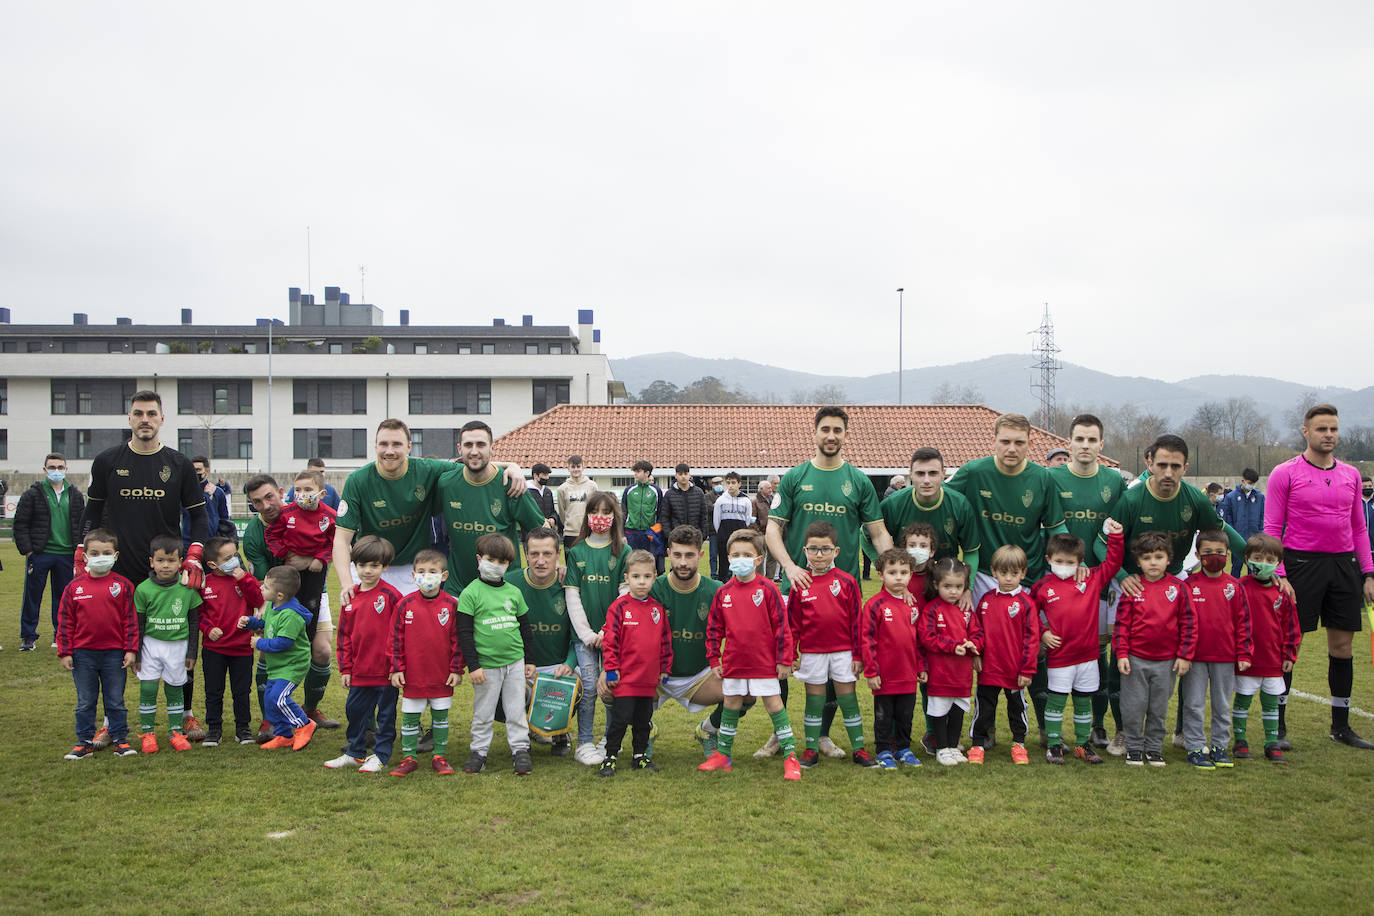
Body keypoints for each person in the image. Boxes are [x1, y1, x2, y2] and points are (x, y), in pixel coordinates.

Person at [1098, 433, 1245, 755]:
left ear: (1185, 467)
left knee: (1183, 651)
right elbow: (1101, 541)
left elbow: (1220, 531)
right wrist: (1122, 576)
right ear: (1149, 463)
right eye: (1161, 464)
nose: (1167, 472)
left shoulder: (1195, 499)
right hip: (1131, 582)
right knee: (1122, 652)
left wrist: (1263, 563)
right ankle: (1123, 731)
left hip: (1174, 580)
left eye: (1175, 466)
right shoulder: (1132, 499)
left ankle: (1180, 730)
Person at [82, 390, 210, 747]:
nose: (145, 420)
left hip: (167, 571)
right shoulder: (107, 461)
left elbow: (198, 516)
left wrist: (195, 554)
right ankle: (111, 721)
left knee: (178, 639)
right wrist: (84, 551)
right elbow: (92, 514)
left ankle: (184, 714)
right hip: (119, 572)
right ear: (129, 418)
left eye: (151, 414)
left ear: (162, 419)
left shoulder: (179, 464)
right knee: (118, 645)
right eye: (138, 413)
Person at [766, 406, 892, 758]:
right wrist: (790, 566)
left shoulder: (859, 481)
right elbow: (773, 528)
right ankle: (781, 733)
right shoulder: (795, 477)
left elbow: (878, 531)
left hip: (842, 592)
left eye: (838, 430)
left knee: (838, 664)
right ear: (815, 433)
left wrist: (895, 574)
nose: (831, 436)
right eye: (825, 429)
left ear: (845, 435)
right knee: (784, 660)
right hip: (798, 587)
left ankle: (820, 734)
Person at [1263, 404, 1374, 750]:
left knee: (1342, 647)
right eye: (1322, 429)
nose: (1329, 435)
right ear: (1306, 432)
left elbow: (1359, 527)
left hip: (1344, 566)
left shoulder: (1351, 475)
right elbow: (1271, 527)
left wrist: (1368, 573)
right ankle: (1277, 727)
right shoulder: (1285, 472)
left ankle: (1341, 726)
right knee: (1289, 647)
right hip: (1300, 565)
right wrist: (1279, 572)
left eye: (1334, 429)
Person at [1048, 413, 1127, 750]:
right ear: (1069, 442)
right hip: (1060, 582)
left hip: (1100, 582)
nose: (1085, 445)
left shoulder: (1115, 481)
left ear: (1101, 445)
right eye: (1079, 439)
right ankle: (1047, 728)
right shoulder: (1051, 478)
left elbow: (1111, 533)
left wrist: (1118, 574)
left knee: (1100, 654)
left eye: (1092, 440)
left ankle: (1099, 725)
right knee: (1050, 650)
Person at [698, 530, 801, 780]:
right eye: (736, 555)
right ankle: (723, 755)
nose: (740, 559)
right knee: (732, 704)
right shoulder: (724, 592)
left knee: (774, 705)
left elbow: (782, 626)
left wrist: (785, 659)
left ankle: (790, 758)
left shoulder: (768, 589)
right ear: (728, 557)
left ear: (758, 559)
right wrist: (714, 659)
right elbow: (714, 629)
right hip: (734, 662)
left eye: (747, 554)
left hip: (764, 663)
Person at [1031, 523, 1124, 766]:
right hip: (1060, 658)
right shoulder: (1042, 587)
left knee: (1084, 702)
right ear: (1049, 559)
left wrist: (1115, 536)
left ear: (1080, 561)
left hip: (1088, 657)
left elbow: (1113, 563)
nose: (1064, 566)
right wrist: (1043, 633)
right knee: (1057, 702)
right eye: (1059, 561)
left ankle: (1083, 744)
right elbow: (1028, 615)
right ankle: (1054, 745)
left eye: (1070, 562)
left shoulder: (1091, 579)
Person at [787, 520, 874, 768]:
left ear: (836, 551)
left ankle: (859, 749)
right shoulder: (800, 584)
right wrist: (791, 654)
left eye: (825, 549)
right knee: (814, 700)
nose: (819, 555)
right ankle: (811, 749)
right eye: (813, 549)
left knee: (848, 699)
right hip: (813, 652)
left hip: (844, 652)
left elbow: (857, 621)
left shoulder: (846, 582)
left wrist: (858, 655)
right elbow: (793, 624)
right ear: (805, 551)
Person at [1113, 531, 1197, 766]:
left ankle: (1153, 748)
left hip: (1167, 662)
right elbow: (1122, 625)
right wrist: (1121, 654)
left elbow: (1189, 624)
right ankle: (1134, 747)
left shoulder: (1178, 589)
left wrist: (1184, 655)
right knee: (1133, 707)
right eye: (1147, 558)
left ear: (1168, 560)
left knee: (1158, 708)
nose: (1153, 562)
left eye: (1158, 557)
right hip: (1135, 659)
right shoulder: (1133, 589)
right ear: (1139, 561)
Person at [437, 421, 547, 596]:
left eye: (480, 444)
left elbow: (542, 530)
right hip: (458, 591)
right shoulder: (446, 483)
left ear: (491, 447)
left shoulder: (511, 484)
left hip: (502, 591)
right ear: (459, 449)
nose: (474, 451)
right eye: (468, 445)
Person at [56, 529, 139, 759]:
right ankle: (84, 742)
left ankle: (120, 740)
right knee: (85, 702)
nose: (100, 556)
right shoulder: (74, 588)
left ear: (115, 555)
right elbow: (65, 622)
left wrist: (131, 650)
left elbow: (130, 621)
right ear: (85, 557)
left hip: (114, 654)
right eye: (94, 552)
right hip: (83, 655)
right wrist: (65, 652)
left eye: (106, 552)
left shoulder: (123, 586)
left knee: (115, 701)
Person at [457, 534, 536, 776]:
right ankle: (479, 751)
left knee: (516, 709)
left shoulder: (513, 592)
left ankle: (520, 750)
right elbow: (465, 633)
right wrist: (474, 666)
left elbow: (524, 627)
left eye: (502, 561)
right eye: (491, 559)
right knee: (484, 711)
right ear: (480, 559)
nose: (496, 565)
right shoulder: (470, 593)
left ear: (508, 564)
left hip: (514, 662)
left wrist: (529, 660)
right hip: (486, 666)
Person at [266, 468, 338, 729]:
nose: (302, 494)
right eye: (298, 490)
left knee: (310, 617)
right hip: (289, 571)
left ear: (321, 492)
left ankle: (310, 706)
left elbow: (334, 541)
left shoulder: (329, 516)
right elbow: (271, 535)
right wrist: (285, 554)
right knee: (283, 614)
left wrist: (320, 558)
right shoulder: (286, 514)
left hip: (315, 573)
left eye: (308, 490)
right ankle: (271, 713)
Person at [564, 492, 632, 765]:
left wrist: (607, 632)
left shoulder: (623, 552)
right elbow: (572, 596)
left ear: (614, 516)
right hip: (585, 638)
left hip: (614, 638)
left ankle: (609, 740)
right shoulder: (577, 552)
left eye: (606, 512)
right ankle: (584, 743)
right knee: (590, 687)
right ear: (587, 515)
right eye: (595, 511)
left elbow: (623, 595)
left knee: (611, 688)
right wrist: (588, 634)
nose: (600, 517)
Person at [326, 535, 403, 773]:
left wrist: (397, 667)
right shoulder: (350, 597)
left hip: (385, 672)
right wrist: (346, 669)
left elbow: (400, 633)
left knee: (386, 716)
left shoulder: (391, 595)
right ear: (354, 566)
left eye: (374, 566)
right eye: (362, 565)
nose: (367, 571)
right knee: (355, 711)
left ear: (385, 567)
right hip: (359, 670)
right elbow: (344, 637)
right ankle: (355, 752)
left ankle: (380, 755)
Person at [647, 525, 725, 757]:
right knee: (614, 689)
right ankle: (646, 729)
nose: (683, 562)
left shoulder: (716, 591)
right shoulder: (652, 589)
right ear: (668, 553)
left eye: (689, 555)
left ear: (700, 555)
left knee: (747, 690)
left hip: (699, 678)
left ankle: (708, 730)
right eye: (678, 555)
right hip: (657, 677)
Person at [1178, 528, 1251, 770]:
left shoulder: (1235, 586)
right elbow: (1182, 623)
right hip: (1195, 658)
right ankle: (1196, 747)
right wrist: (1184, 654)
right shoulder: (1188, 585)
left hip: (1225, 657)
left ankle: (1220, 746)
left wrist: (1243, 653)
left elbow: (1243, 622)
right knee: (1194, 703)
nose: (1214, 556)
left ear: (1228, 554)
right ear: (1198, 555)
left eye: (1219, 552)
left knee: (1222, 704)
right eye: (1208, 552)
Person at [388, 550, 463, 777]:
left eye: (432, 571)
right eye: (421, 572)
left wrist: (456, 669)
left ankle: (439, 756)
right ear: (413, 575)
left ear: (444, 575)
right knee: (411, 716)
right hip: (413, 674)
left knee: (440, 716)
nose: (426, 576)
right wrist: (396, 668)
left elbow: (458, 640)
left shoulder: (452, 605)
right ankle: (408, 757)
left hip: (441, 673)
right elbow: (394, 640)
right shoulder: (404, 604)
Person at [598, 550, 673, 777]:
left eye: (647, 577)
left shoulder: (657, 610)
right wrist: (611, 669)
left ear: (654, 577)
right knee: (619, 720)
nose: (642, 582)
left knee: (643, 721)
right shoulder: (619, 607)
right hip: (626, 679)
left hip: (648, 680)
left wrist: (665, 669)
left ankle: (639, 756)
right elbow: (610, 641)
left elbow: (665, 642)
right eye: (636, 577)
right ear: (627, 578)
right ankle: (610, 757)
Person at [508, 528, 577, 757]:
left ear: (558, 554)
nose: (540, 561)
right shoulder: (509, 582)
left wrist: (568, 663)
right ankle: (525, 730)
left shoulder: (570, 583)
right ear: (525, 554)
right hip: (521, 665)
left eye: (547, 554)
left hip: (556, 668)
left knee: (580, 684)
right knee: (502, 685)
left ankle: (559, 733)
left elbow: (577, 633)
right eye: (534, 554)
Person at [1232, 534, 1301, 763]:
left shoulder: (1282, 592)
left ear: (1278, 563)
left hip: (1273, 660)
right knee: (1243, 700)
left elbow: (1291, 626)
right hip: (1247, 660)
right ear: (1247, 559)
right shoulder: (1238, 587)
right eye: (1258, 557)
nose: (1263, 563)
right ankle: (1240, 740)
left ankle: (1271, 743)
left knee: (1271, 702)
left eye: (1269, 559)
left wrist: (1290, 653)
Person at [968, 546, 1039, 766]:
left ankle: (1019, 744)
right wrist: (977, 653)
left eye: (1014, 573)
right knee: (984, 708)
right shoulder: (986, 600)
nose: (1008, 578)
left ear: (1023, 574)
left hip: (1014, 671)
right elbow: (977, 630)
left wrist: (1027, 670)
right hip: (989, 668)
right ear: (993, 572)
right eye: (1003, 573)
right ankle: (978, 744)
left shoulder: (1026, 604)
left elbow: (1032, 639)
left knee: (1017, 708)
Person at [134, 534, 204, 754]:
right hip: (151, 645)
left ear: (181, 561)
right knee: (148, 687)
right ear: (151, 562)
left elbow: (194, 621)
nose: (166, 565)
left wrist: (192, 651)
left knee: (175, 688)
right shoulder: (143, 589)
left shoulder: (187, 589)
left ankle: (176, 732)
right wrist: (136, 653)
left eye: (171, 560)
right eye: (161, 560)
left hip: (178, 646)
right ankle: (147, 733)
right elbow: (139, 623)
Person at [860, 548, 926, 770]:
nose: (899, 577)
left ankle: (903, 748)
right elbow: (867, 640)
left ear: (911, 574)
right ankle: (883, 750)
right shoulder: (875, 605)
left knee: (905, 715)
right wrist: (871, 672)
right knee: (883, 716)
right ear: (881, 575)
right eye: (892, 572)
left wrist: (921, 666)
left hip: (907, 675)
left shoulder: (912, 604)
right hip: (884, 676)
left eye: (904, 572)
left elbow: (917, 641)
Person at [238, 565, 317, 752]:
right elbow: (266, 624)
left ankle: (304, 724)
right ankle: (284, 735)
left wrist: (260, 644)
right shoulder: (274, 607)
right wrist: (251, 622)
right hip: (278, 666)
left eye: (265, 587)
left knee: (279, 699)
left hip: (292, 665)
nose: (261, 588)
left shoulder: (291, 615)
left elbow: (283, 643)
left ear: (280, 595)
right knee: (270, 700)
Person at [197, 535, 263, 747]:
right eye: (227, 558)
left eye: (235, 555)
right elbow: (198, 614)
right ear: (212, 564)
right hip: (214, 649)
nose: (234, 560)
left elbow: (258, 600)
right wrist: (208, 629)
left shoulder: (245, 579)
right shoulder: (205, 583)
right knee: (213, 691)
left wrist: (243, 579)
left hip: (242, 648)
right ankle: (214, 729)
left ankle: (243, 728)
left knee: (242, 691)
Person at [15, 453, 84, 651]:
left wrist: (79, 548)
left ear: (66, 469)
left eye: (60, 467)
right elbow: (21, 523)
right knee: (32, 596)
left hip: (66, 555)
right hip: (40, 553)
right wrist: (28, 551)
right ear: (45, 470)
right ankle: (28, 637)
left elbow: (81, 524)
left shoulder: (75, 494)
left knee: (63, 598)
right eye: (52, 467)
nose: (56, 471)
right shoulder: (32, 494)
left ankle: (60, 636)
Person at [920, 557, 982, 766]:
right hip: (940, 672)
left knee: (957, 711)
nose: (953, 591)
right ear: (936, 585)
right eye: (947, 586)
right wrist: (951, 646)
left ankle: (954, 746)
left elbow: (978, 633)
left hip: (962, 674)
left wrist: (974, 645)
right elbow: (927, 638)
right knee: (939, 710)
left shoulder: (966, 610)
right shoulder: (931, 609)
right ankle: (941, 748)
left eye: (958, 586)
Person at [881, 447, 980, 571]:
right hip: (903, 583)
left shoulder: (960, 505)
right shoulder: (893, 504)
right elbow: (868, 537)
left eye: (933, 473)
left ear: (943, 474)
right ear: (911, 473)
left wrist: (968, 587)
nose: (926, 480)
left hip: (944, 584)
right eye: (920, 473)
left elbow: (970, 551)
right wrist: (886, 568)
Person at [622, 460, 667, 573]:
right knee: (631, 563)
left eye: (638, 471)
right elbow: (622, 513)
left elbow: (661, 514)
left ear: (647, 473)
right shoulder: (629, 490)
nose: (635, 474)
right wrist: (622, 533)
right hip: (631, 532)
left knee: (650, 564)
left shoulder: (656, 491)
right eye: (634, 471)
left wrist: (654, 531)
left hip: (649, 533)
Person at [711, 473, 755, 581]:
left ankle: (740, 581)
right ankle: (723, 583)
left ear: (739, 484)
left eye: (733, 483)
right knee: (723, 561)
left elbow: (747, 519)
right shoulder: (720, 501)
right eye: (728, 483)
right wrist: (721, 533)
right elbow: (716, 520)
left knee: (740, 559)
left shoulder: (746, 500)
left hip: (740, 534)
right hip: (724, 534)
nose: (731, 486)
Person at [1220, 469, 1265, 575]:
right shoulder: (1231, 497)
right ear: (1243, 481)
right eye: (1249, 483)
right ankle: (1234, 589)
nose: (1251, 486)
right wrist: (1231, 536)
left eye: (1253, 484)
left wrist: (1260, 535)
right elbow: (1228, 518)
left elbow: (1262, 517)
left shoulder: (1260, 497)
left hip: (1254, 539)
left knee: (1253, 567)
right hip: (1238, 538)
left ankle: (1252, 590)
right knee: (1236, 567)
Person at [556, 455, 598, 553]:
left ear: (583, 467)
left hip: (588, 531)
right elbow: (562, 511)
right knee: (571, 563)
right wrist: (568, 523)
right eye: (573, 467)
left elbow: (595, 508)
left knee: (589, 562)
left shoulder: (592, 486)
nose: (576, 469)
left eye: (578, 466)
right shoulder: (562, 489)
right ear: (568, 468)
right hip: (570, 533)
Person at [181, 456, 223, 551]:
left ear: (207, 470)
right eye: (193, 470)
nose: (195, 473)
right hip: (189, 543)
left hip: (213, 544)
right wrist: (206, 496)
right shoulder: (184, 492)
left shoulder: (218, 492)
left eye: (198, 470)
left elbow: (224, 518)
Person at [663, 463, 708, 539]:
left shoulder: (699, 492)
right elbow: (664, 517)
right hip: (676, 537)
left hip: (695, 535)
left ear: (689, 475)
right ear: (676, 476)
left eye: (685, 474)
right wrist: (669, 535)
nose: (683, 476)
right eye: (680, 474)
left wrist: (702, 535)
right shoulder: (669, 494)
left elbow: (704, 515)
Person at [752, 478, 778, 581]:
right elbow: (752, 519)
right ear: (761, 489)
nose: (771, 489)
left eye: (771, 488)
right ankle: (759, 578)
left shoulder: (773, 500)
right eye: (768, 488)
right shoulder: (755, 501)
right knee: (760, 557)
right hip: (761, 534)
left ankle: (770, 578)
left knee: (773, 557)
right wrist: (758, 533)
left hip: (772, 533)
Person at [527, 463, 561, 534]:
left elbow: (552, 511)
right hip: (531, 533)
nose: (547, 478)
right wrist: (542, 521)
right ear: (535, 475)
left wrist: (553, 519)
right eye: (544, 475)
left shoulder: (548, 492)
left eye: (548, 475)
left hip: (547, 532)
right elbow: (526, 513)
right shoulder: (526, 492)